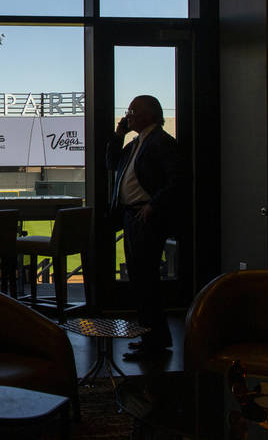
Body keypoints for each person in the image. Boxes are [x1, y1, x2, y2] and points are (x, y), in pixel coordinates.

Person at [106, 95, 186, 360]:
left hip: (147, 218)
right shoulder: (136, 143)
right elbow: (112, 164)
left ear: (149, 114)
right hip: (133, 217)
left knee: (146, 281)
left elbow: (178, 181)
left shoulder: (162, 143)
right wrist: (119, 134)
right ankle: (151, 337)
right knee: (140, 281)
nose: (128, 114)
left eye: (133, 110)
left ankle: (155, 342)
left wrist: (153, 205)